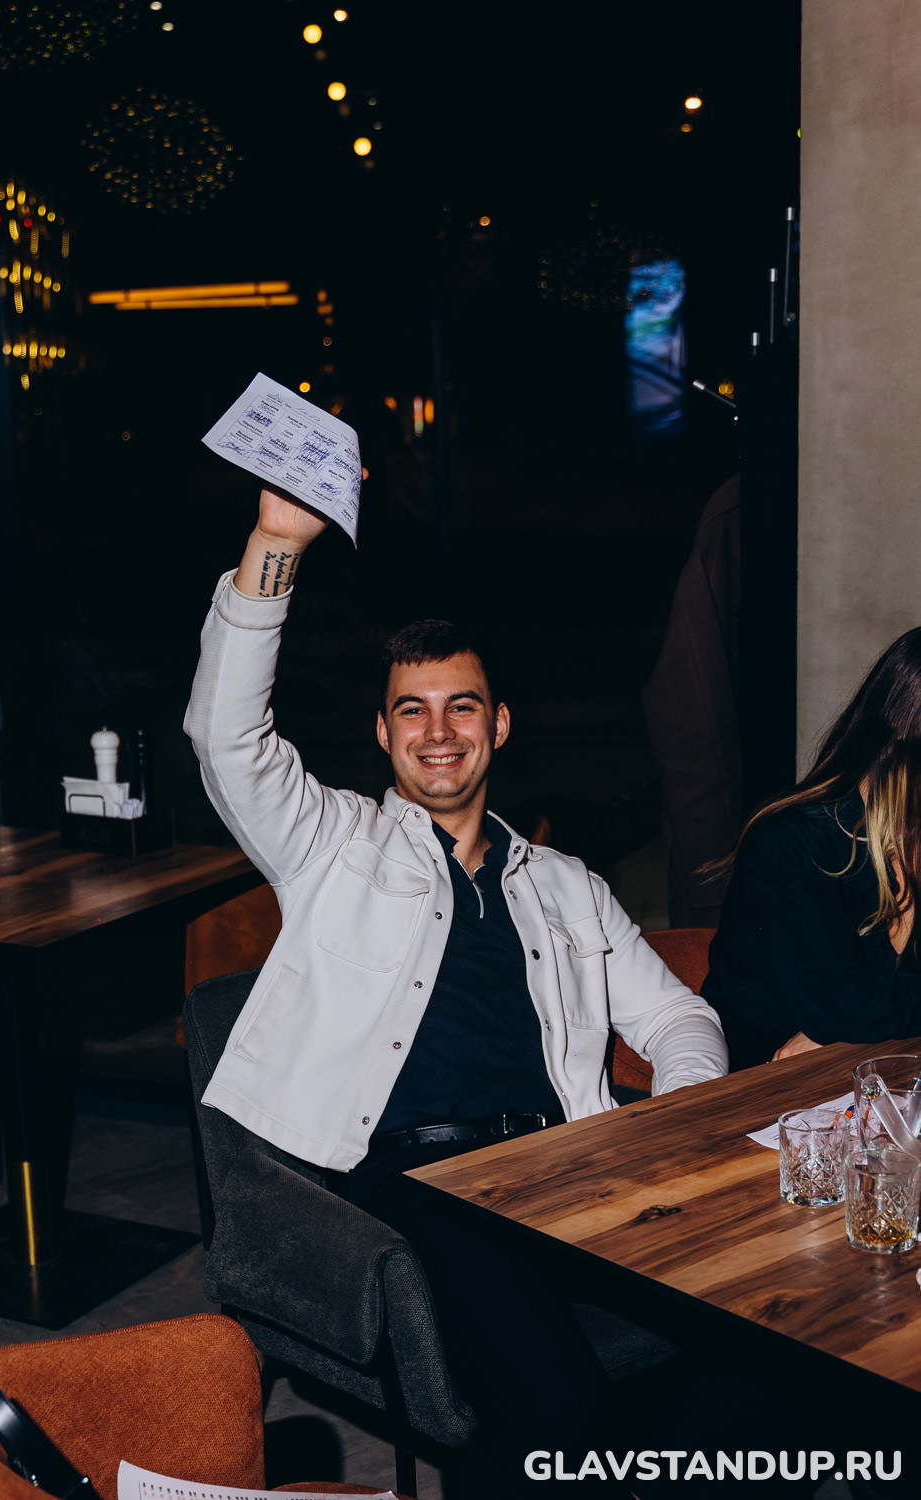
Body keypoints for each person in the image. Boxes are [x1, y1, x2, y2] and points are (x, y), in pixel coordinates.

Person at [185, 483, 728, 1497]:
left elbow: (675, 1014)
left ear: (499, 724)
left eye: (461, 706)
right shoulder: (330, 844)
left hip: (560, 1166)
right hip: (419, 1181)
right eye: (412, 711)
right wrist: (274, 544)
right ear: (384, 734)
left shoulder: (564, 884)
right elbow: (225, 741)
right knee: (554, 1401)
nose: (438, 731)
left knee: (758, 1343)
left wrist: (675, 1116)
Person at [703, 626, 921, 1071]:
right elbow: (850, 1010)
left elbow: (858, 1015)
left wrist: (850, 1027)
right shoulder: (791, 843)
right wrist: (848, 1026)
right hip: (767, 1080)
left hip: (881, 1065)